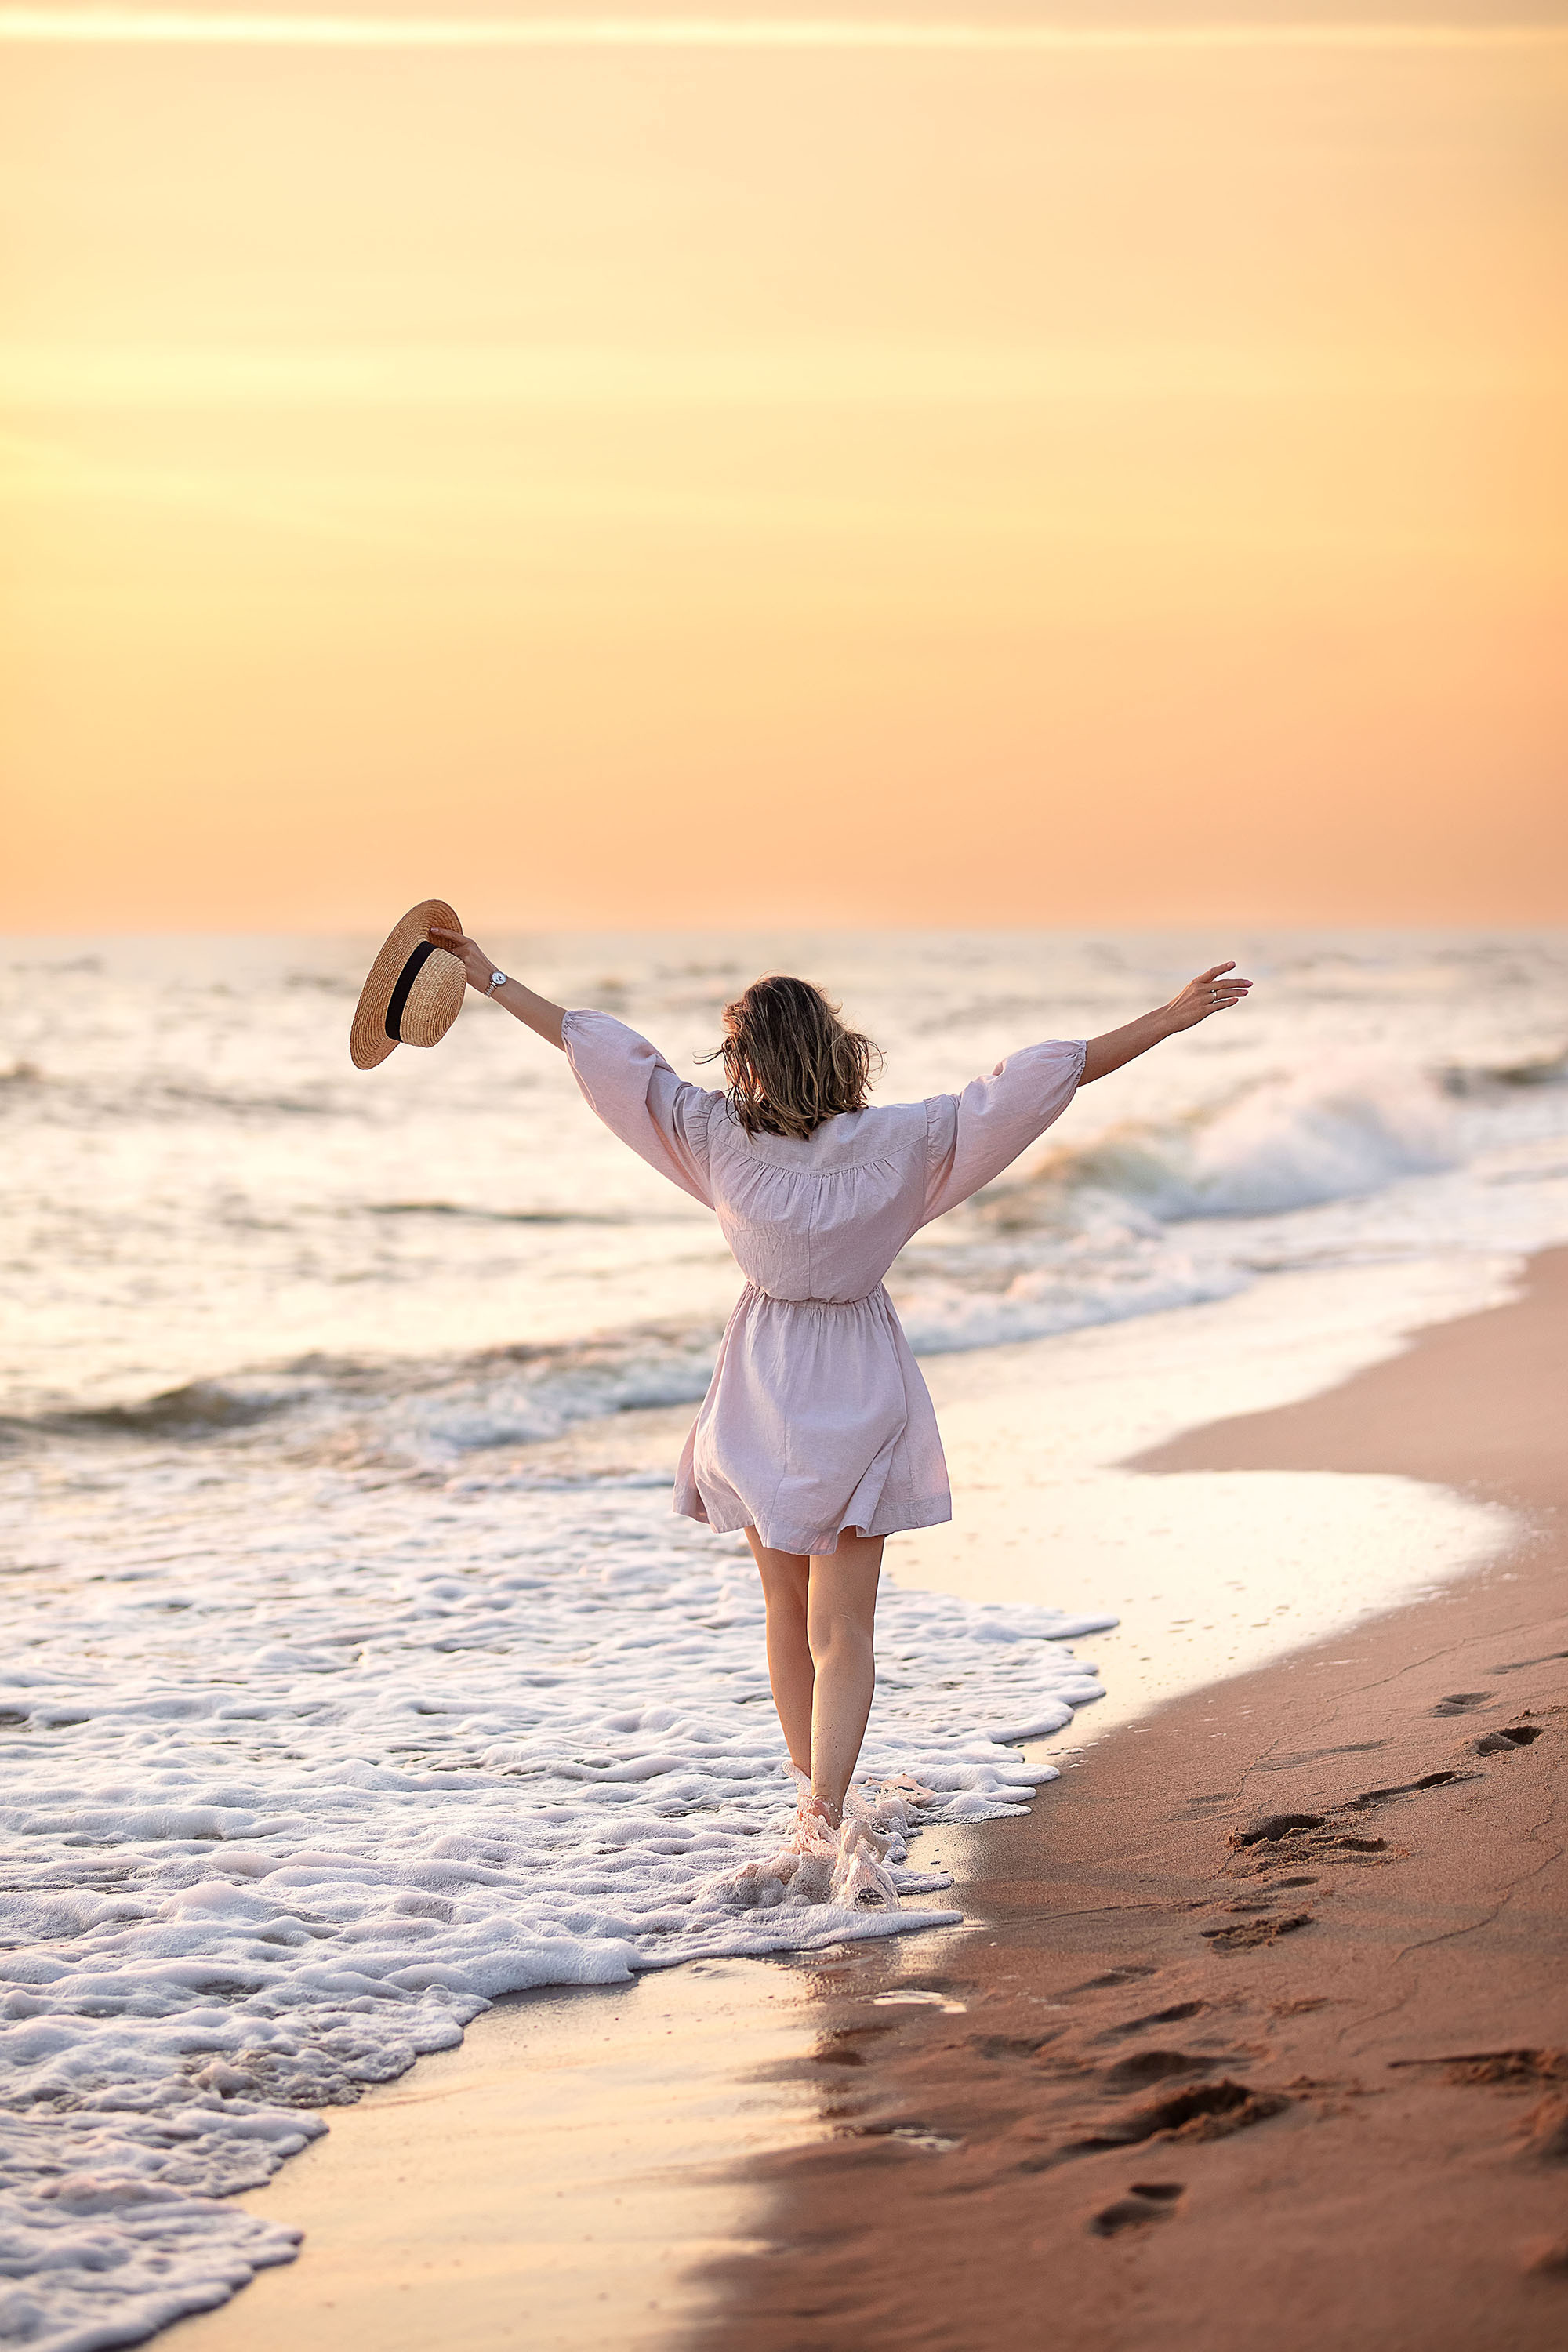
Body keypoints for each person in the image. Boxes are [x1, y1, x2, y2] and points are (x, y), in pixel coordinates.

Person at [430, 927, 1251, 1903]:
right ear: (833, 1048)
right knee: (843, 1626)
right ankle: (824, 1810)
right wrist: (1163, 1019)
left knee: (787, 1611)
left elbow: (598, 1050)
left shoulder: (710, 1135)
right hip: (859, 1374)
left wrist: (489, 978)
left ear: (749, 1059)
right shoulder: (904, 1141)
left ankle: (813, 1814)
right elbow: (1041, 1082)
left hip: (762, 1376)